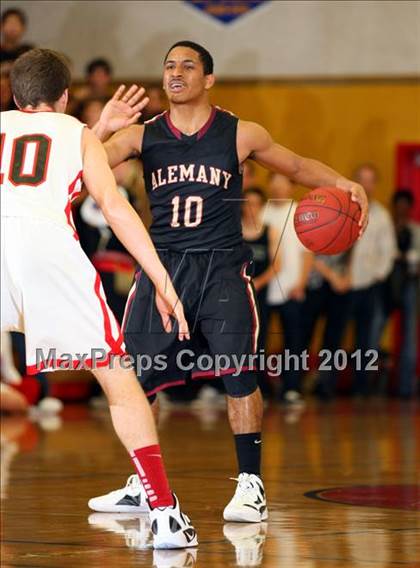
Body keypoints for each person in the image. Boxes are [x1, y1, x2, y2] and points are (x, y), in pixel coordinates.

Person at [90, 40, 368, 522]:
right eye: (169, 66)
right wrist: (100, 129)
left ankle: (251, 485)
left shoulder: (240, 134)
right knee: (136, 379)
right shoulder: (141, 136)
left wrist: (343, 182)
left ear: (209, 79)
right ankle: (142, 483)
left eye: (187, 65)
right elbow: (83, 166)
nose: (175, 73)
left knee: (239, 374)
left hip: (221, 269)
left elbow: (298, 167)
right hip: (163, 271)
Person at [1, 48, 197, 549]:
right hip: (49, 253)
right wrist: (162, 282)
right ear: (65, 97)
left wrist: (99, 129)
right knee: (117, 377)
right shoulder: (78, 133)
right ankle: (163, 510)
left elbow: (35, 176)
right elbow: (112, 206)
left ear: (13, 95)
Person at [263, 173, 313, 405]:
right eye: (274, 183)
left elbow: (307, 252)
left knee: (294, 341)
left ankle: (292, 387)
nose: (278, 188)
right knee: (259, 340)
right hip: (265, 288)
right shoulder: (263, 212)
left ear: (292, 187)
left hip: (292, 287)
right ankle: (261, 388)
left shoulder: (299, 214)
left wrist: (301, 282)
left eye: (283, 183)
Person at [347, 164, 396, 395]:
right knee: (333, 337)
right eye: (361, 179)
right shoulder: (341, 208)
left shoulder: (382, 216)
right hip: (341, 284)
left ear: (375, 184)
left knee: (366, 339)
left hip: (369, 286)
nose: (365, 184)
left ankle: (361, 387)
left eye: (370, 180)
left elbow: (388, 253)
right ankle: (325, 386)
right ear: (354, 180)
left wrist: (376, 277)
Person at [242, 187, 281, 396]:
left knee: (260, 339)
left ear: (262, 206)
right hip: (237, 293)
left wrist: (257, 282)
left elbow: (276, 264)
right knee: (237, 338)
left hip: (259, 293)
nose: (251, 208)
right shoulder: (234, 230)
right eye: (247, 203)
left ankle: (258, 386)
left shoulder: (269, 230)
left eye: (256, 203)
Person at [383, 190, 419, 397]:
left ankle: (406, 388)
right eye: (399, 205)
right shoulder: (386, 228)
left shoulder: (415, 231)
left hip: (409, 285)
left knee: (409, 337)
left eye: (406, 205)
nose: (402, 209)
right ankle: (368, 385)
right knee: (373, 332)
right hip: (386, 286)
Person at [302, 253, 352, 399]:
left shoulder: (351, 230)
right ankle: (295, 383)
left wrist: (347, 276)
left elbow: (351, 253)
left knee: (333, 339)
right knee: (304, 335)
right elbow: (308, 252)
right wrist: (332, 276)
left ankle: (326, 384)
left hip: (341, 285)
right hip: (314, 283)